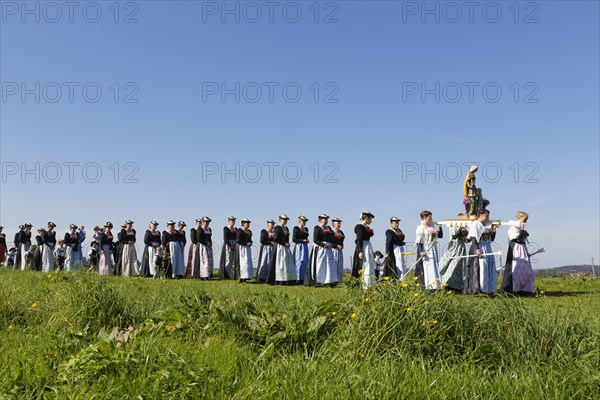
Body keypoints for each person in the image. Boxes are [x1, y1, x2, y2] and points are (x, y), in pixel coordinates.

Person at [500, 211, 535, 295]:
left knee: (525, 269)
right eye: (524, 219)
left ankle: (524, 289)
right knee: (514, 268)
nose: (525, 222)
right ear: (519, 218)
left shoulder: (520, 226)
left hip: (522, 248)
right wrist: (522, 232)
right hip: (515, 248)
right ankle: (513, 289)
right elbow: (514, 238)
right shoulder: (513, 227)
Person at [465, 210, 497, 294]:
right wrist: (477, 249)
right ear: (480, 215)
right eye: (486, 216)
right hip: (479, 246)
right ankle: (477, 289)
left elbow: (492, 239)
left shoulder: (487, 225)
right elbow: (473, 237)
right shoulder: (475, 224)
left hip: (487, 246)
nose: (488, 218)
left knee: (487, 267)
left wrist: (494, 232)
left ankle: (487, 289)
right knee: (479, 267)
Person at [439, 218, 470, 292]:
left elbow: (467, 240)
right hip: (453, 248)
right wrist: (460, 229)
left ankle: (455, 285)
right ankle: (444, 282)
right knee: (448, 264)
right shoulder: (453, 226)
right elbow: (454, 236)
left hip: (460, 248)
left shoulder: (464, 228)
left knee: (459, 267)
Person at [415, 211, 443, 290]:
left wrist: (440, 228)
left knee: (434, 266)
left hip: (432, 248)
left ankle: (434, 285)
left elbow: (440, 236)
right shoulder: (421, 228)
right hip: (424, 248)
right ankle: (425, 285)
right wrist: (421, 251)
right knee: (425, 267)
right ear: (424, 218)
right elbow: (419, 241)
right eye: (429, 218)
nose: (431, 220)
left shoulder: (433, 227)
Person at [306, 214, 337, 286]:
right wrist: (323, 245)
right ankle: (319, 280)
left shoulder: (328, 228)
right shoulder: (317, 228)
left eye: (326, 219)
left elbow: (332, 238)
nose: (326, 221)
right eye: (324, 219)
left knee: (328, 264)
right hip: (320, 248)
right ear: (320, 220)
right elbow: (315, 240)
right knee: (320, 264)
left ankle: (328, 280)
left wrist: (332, 241)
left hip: (328, 248)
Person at [266, 214, 297, 285]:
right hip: (279, 247)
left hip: (286, 247)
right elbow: (276, 238)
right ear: (280, 220)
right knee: (280, 264)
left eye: (286, 220)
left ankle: (288, 279)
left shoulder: (286, 228)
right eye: (284, 219)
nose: (285, 221)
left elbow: (287, 238)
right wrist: (284, 243)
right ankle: (279, 280)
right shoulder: (277, 228)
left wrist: (288, 243)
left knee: (287, 264)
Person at [352, 211, 376, 289]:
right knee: (364, 264)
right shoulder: (359, 227)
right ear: (366, 218)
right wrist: (360, 251)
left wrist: (372, 251)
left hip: (368, 246)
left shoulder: (367, 227)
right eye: (370, 219)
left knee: (369, 263)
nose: (371, 221)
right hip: (363, 246)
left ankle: (370, 282)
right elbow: (358, 239)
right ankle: (363, 283)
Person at [235, 219, 254, 283]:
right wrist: (246, 243)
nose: (248, 224)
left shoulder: (249, 231)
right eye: (247, 223)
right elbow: (238, 240)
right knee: (243, 262)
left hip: (247, 248)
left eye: (248, 223)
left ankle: (246, 277)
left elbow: (250, 239)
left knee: (248, 262)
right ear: (243, 224)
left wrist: (251, 242)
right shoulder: (240, 231)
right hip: (242, 248)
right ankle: (242, 278)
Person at [293, 216, 310, 284]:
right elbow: (294, 239)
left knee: (305, 262)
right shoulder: (296, 228)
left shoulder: (306, 229)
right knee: (299, 262)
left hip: (305, 247)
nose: (304, 222)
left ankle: (304, 278)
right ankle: (297, 278)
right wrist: (302, 240)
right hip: (299, 247)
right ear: (299, 221)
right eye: (303, 221)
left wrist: (307, 240)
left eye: (305, 221)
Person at [330, 218, 345, 284]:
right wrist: (336, 246)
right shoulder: (331, 232)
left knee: (339, 264)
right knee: (333, 264)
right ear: (333, 224)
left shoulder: (341, 232)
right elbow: (329, 242)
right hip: (333, 250)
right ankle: (333, 279)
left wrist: (342, 245)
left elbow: (341, 241)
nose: (339, 224)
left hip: (339, 251)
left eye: (340, 223)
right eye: (338, 223)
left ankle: (339, 279)